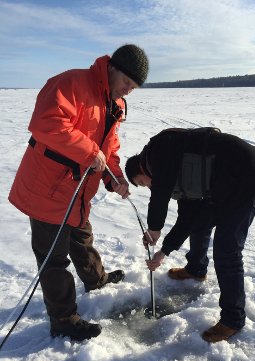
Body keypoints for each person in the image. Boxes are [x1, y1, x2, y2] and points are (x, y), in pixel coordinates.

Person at [8, 44, 149, 341]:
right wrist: (88, 151)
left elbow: (109, 150)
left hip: (77, 191)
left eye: (134, 87)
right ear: (112, 68)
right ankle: (63, 318)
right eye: (127, 83)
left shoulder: (116, 104)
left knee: (82, 238)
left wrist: (115, 179)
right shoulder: (71, 83)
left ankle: (95, 280)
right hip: (47, 188)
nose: (128, 91)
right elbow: (46, 123)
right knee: (54, 257)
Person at [125, 127, 255, 343]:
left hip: (248, 175)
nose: (148, 187)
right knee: (200, 222)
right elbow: (188, 217)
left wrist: (154, 226)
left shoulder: (158, 152)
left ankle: (233, 319)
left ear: (140, 169)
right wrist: (163, 252)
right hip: (228, 182)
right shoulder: (175, 171)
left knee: (227, 250)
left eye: (141, 183)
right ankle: (195, 268)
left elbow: (160, 190)